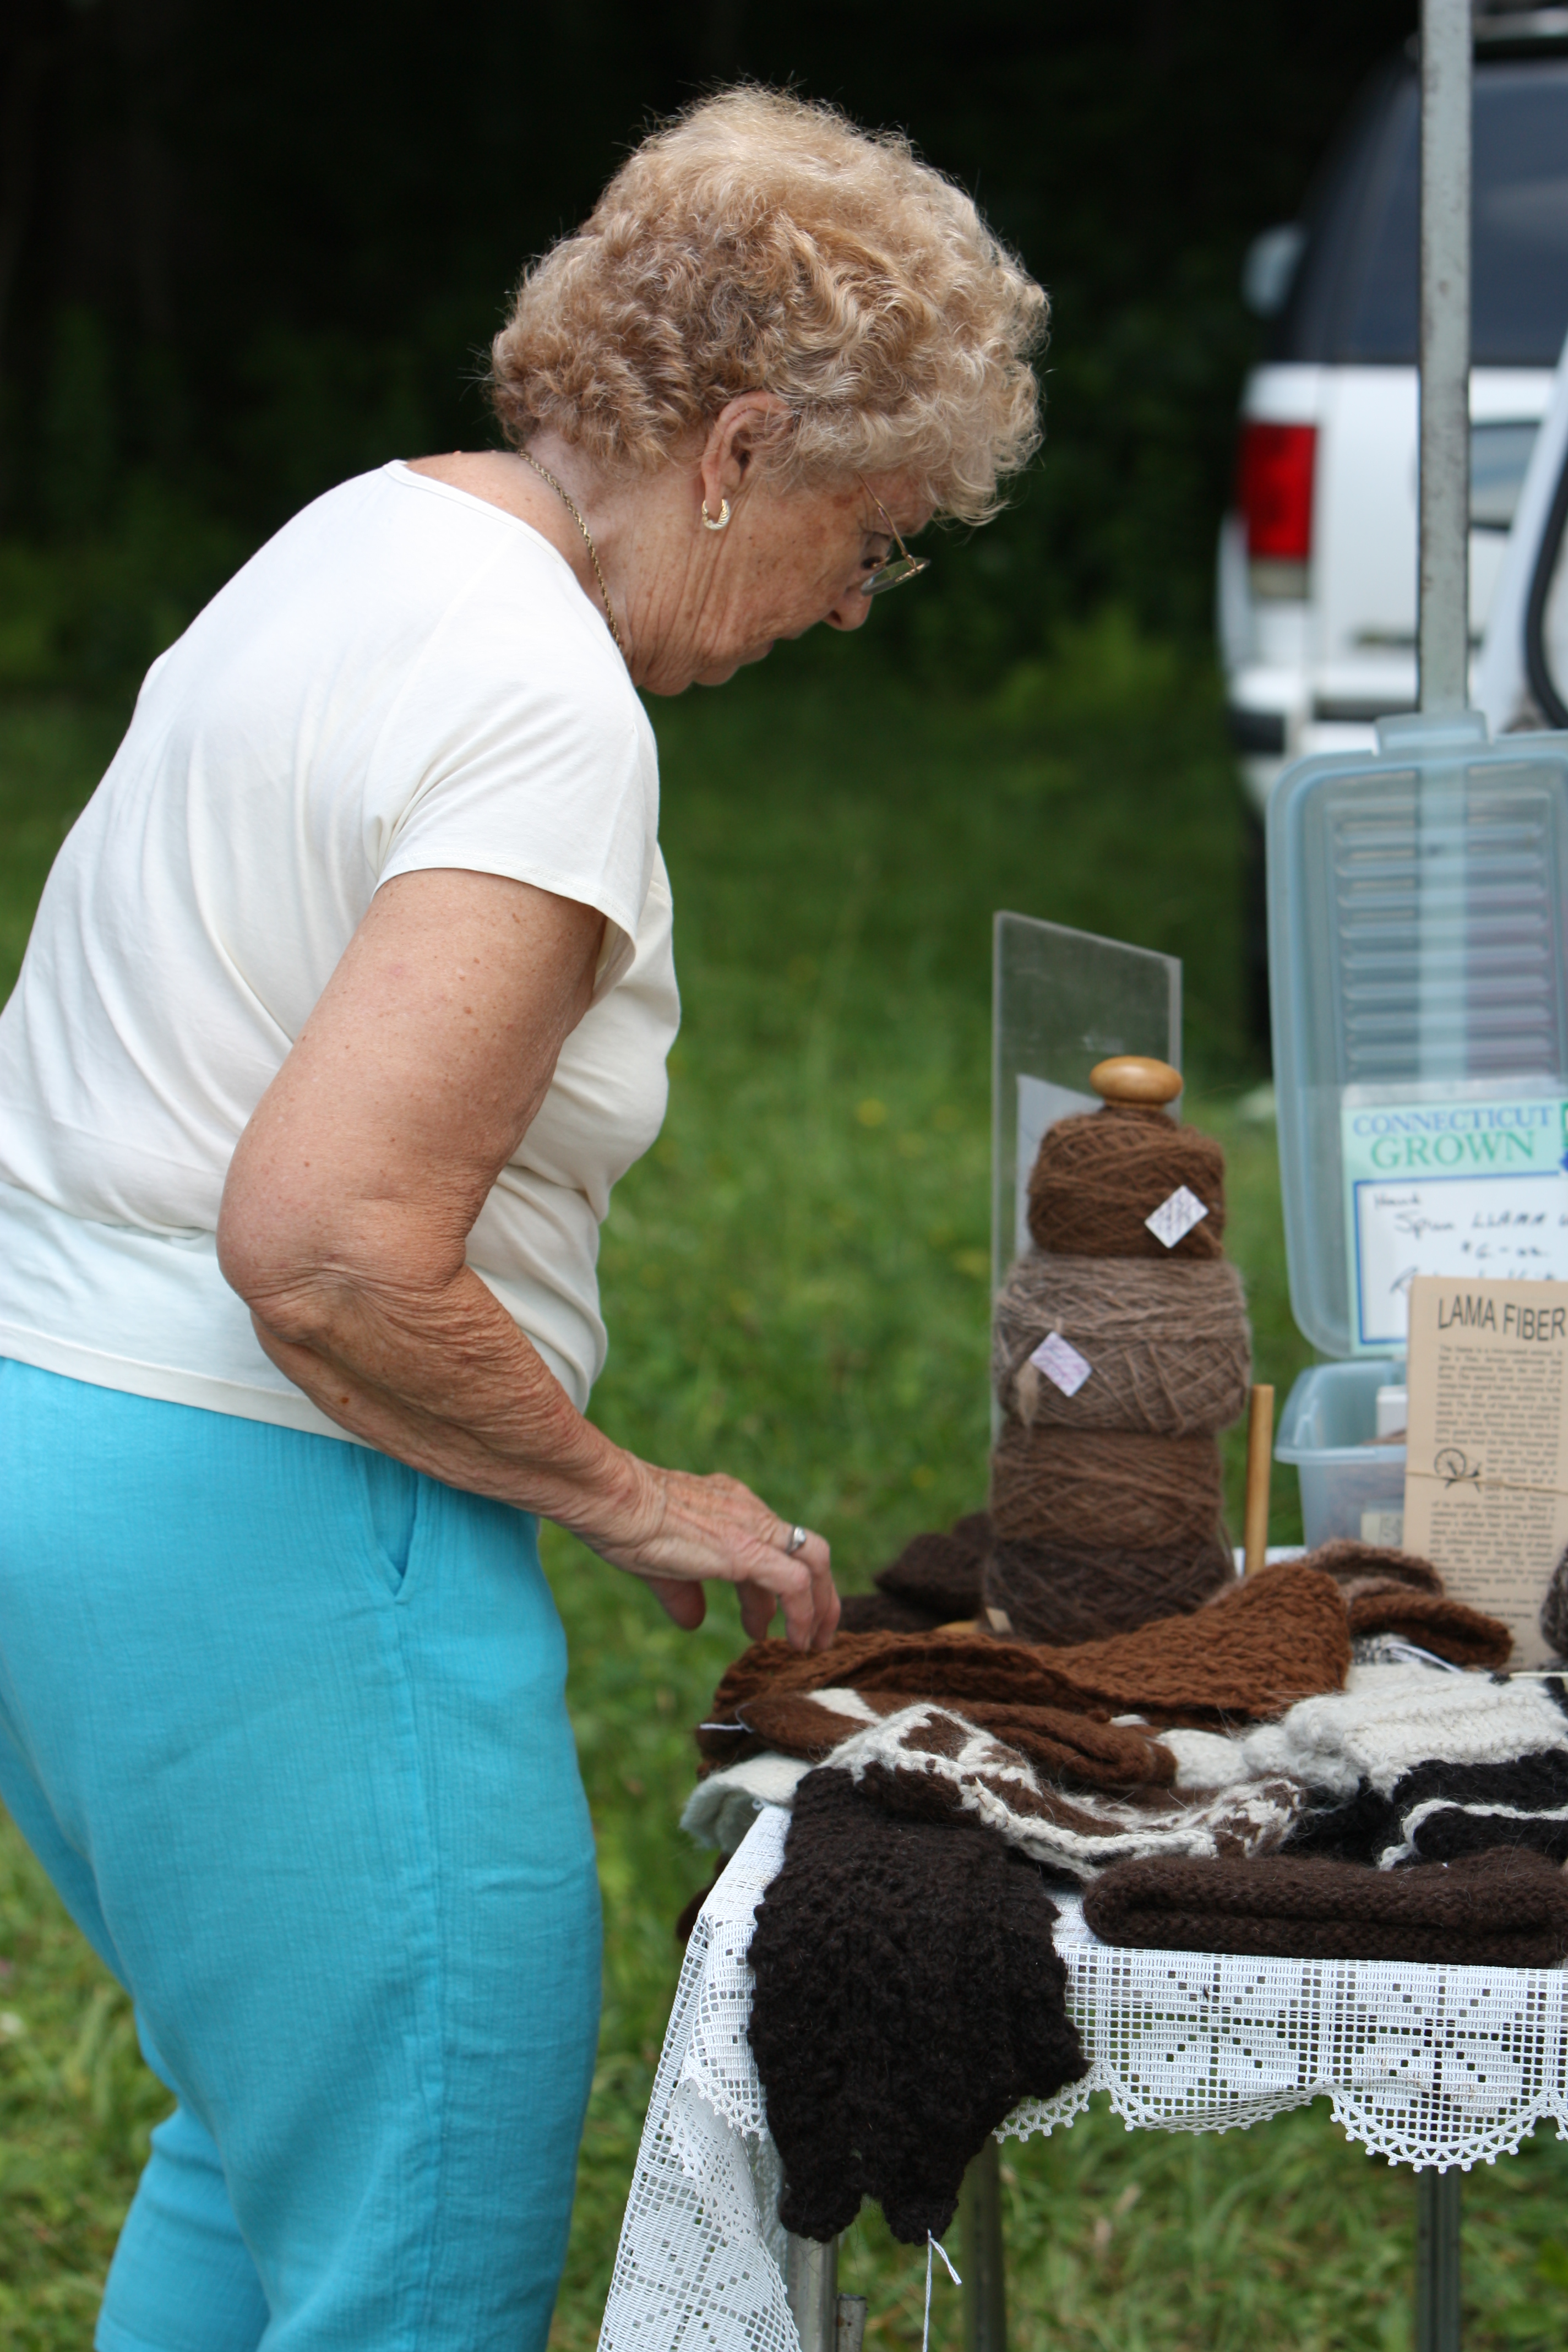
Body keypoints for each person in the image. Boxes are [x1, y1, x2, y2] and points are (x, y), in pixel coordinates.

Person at [0, 87, 1046, 2352]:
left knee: (268, 2156)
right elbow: (333, 1253)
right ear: (743, 444)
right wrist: (628, 1494)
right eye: (870, 531)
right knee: (417, 2259)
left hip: (58, 1469)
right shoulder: (540, 699)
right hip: (279, 1535)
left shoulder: (362, 541)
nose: (859, 601)